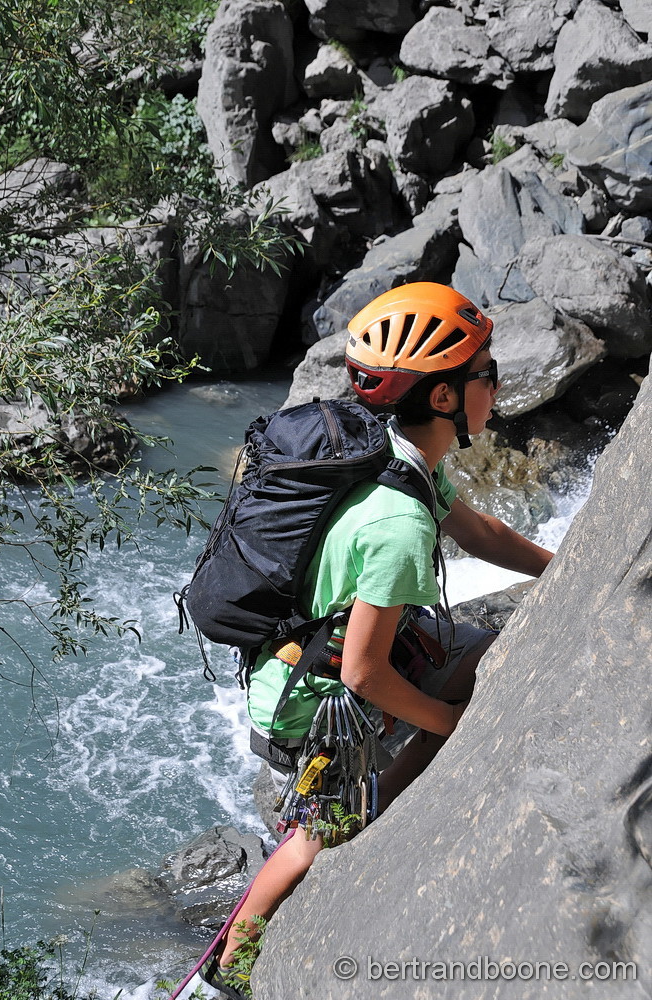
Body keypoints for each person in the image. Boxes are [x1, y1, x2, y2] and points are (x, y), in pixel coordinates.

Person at [214, 282, 553, 982]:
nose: (498, 384)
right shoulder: (396, 522)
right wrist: (452, 725)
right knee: (319, 836)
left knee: (490, 654)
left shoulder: (397, 456)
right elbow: (363, 675)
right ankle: (236, 962)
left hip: (310, 654)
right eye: (486, 373)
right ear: (442, 398)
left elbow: (476, 530)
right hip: (311, 700)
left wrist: (564, 568)